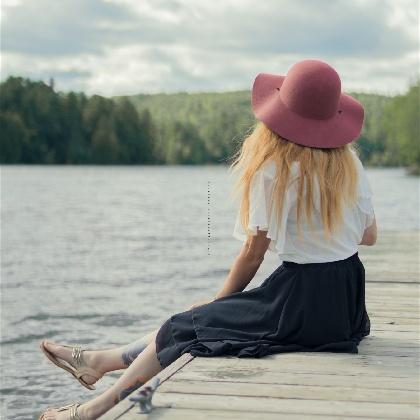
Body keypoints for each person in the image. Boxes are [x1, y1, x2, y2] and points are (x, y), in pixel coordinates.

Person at [38, 59, 377, 420]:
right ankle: (101, 361)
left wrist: (219, 302)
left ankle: (92, 410)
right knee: (193, 321)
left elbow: (252, 254)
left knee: (184, 325)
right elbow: (368, 236)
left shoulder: (274, 168)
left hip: (301, 303)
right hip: (346, 305)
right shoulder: (349, 165)